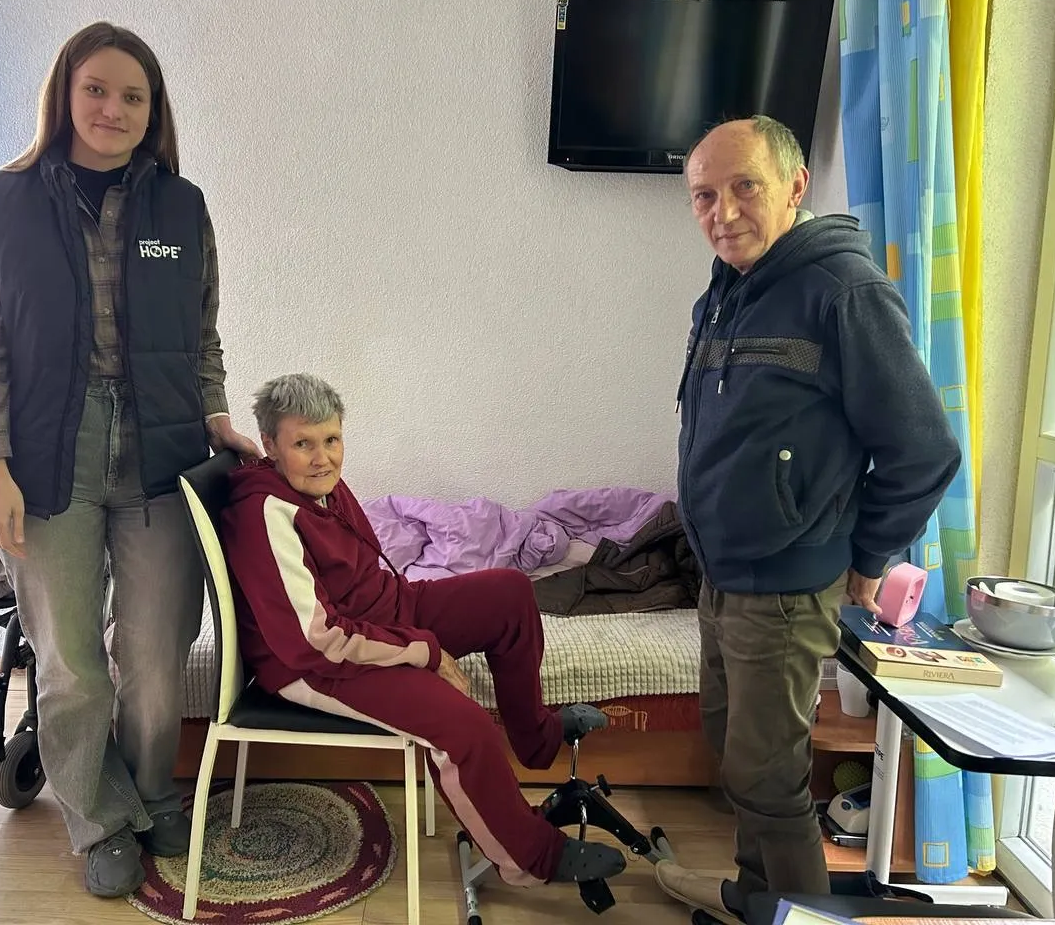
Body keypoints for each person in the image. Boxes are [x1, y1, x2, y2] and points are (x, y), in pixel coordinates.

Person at [0, 21, 260, 898]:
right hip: (49, 449)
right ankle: (95, 815)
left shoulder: (181, 204)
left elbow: (203, 336)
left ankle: (151, 788)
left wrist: (217, 418)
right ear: (65, 93)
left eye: (134, 95)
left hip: (164, 448)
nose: (113, 109)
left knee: (161, 648)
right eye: (97, 89)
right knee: (72, 658)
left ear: (153, 110)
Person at [655, 116, 961, 922]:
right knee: (737, 757)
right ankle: (761, 899)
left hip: (786, 586)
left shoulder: (841, 292)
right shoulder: (726, 290)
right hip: (723, 575)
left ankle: (797, 915)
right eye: (704, 196)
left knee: (768, 778)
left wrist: (868, 556)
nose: (722, 212)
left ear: (795, 186)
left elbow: (923, 449)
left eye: (743, 186)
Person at [220, 373, 626, 888]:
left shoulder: (321, 486)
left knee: (510, 592)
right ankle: (529, 858)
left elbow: (364, 580)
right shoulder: (264, 514)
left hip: (381, 618)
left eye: (332, 440)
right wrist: (424, 653)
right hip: (320, 664)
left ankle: (536, 738)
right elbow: (314, 639)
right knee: (465, 726)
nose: (323, 457)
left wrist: (415, 637)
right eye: (303, 444)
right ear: (272, 446)